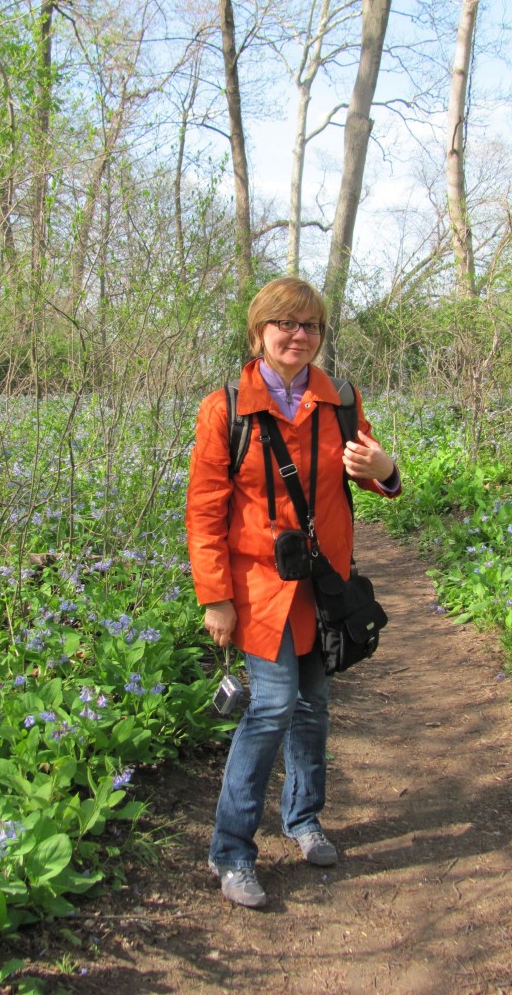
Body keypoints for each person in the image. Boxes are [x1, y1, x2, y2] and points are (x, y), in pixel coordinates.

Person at [185, 277, 401, 909]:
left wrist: (382, 470)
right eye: (286, 324)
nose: (298, 335)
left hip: (324, 588)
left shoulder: (341, 401)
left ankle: (304, 821)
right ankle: (230, 851)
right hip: (257, 589)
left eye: (311, 326)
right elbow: (204, 511)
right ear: (260, 332)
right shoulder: (225, 409)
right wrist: (214, 596)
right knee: (272, 707)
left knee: (313, 706)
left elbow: (379, 479)